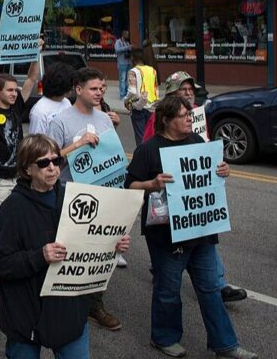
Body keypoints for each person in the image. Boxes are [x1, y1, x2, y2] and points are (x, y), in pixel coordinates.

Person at [126, 96, 258, 359]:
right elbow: (129, 186)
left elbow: (207, 177)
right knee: (168, 291)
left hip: (201, 231)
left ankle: (225, 345)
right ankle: (164, 338)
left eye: (189, 114)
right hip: (167, 236)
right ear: (166, 120)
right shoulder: (148, 150)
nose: (190, 119)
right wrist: (152, 184)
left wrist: (222, 171)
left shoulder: (197, 141)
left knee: (211, 290)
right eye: (183, 115)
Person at [0, 134, 131, 358]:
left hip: (69, 312)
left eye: (56, 161)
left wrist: (112, 244)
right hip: (26, 314)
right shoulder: (13, 208)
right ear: (26, 169)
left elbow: (91, 240)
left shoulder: (74, 198)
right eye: (43, 163)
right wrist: (40, 256)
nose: (52, 167)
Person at [142, 71, 247, 303]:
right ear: (172, 94)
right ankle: (162, 270)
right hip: (170, 192)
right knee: (169, 255)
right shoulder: (159, 118)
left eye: (191, 89)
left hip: (194, 192)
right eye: (183, 89)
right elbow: (150, 149)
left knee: (203, 232)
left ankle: (217, 284)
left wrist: (215, 165)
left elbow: (203, 145)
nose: (189, 93)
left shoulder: (197, 113)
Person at [48, 66, 126, 329]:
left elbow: (111, 158)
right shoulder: (60, 121)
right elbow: (48, 159)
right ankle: (61, 302)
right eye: (94, 88)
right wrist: (78, 144)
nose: (99, 92)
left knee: (98, 252)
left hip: (101, 196)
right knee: (67, 253)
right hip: (69, 196)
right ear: (78, 89)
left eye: (101, 88)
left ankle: (95, 305)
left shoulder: (104, 119)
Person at [0, 56, 40, 216]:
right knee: (0, 224)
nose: (14, 94)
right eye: (9, 90)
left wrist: (36, 54)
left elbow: (31, 78)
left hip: (19, 178)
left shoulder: (16, 107)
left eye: (15, 90)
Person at [28, 62, 74, 135]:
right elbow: (36, 140)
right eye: (71, 85)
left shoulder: (66, 102)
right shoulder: (39, 112)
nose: (73, 88)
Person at [125, 47, 159, 146]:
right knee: (150, 135)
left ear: (133, 58)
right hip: (151, 107)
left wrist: (126, 101)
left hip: (138, 107)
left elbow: (132, 91)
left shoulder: (133, 71)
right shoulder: (152, 70)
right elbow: (156, 89)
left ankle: (142, 154)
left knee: (140, 137)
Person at [115, 30, 132, 99]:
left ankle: (127, 94)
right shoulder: (118, 42)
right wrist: (127, 47)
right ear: (123, 35)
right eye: (127, 35)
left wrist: (130, 49)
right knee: (122, 80)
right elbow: (117, 50)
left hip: (128, 63)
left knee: (128, 80)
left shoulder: (127, 42)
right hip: (122, 63)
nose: (128, 36)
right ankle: (122, 95)